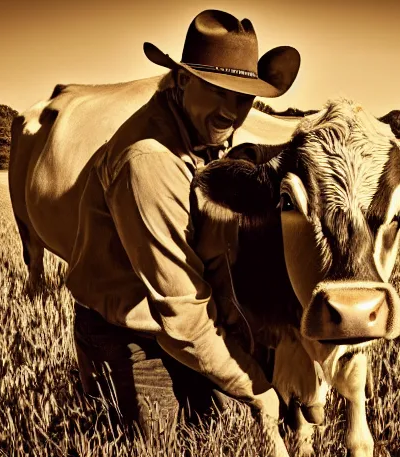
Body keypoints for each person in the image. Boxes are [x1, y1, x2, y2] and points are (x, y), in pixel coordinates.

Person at [66, 9, 300, 434]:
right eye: (217, 90)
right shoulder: (150, 161)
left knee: (212, 440)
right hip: (130, 339)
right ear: (182, 80)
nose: (233, 111)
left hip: (180, 329)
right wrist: (256, 386)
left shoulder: (201, 135)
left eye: (244, 97)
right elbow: (181, 312)